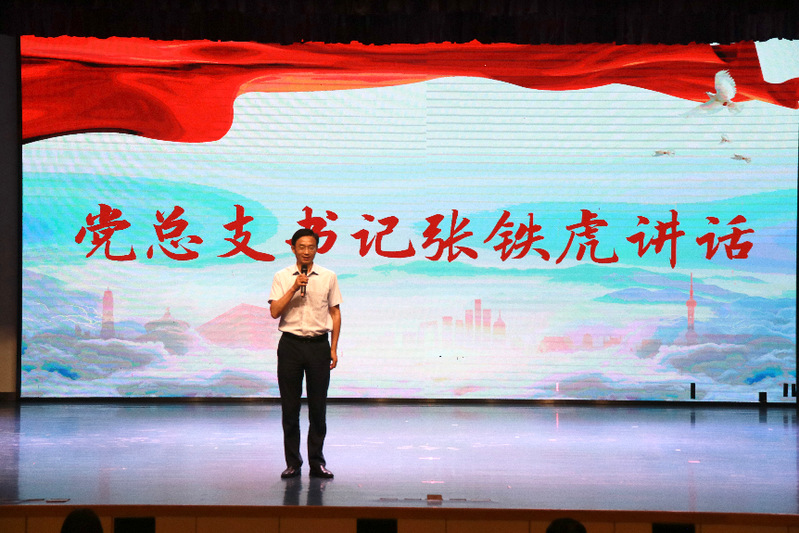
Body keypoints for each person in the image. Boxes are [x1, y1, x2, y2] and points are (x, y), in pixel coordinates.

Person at [269, 228, 342, 479]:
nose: (306, 251)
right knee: (290, 408)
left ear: (317, 248)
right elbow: (274, 312)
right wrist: (293, 287)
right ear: (293, 248)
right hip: (290, 345)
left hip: (318, 345)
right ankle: (293, 462)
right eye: (301, 247)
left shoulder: (328, 276)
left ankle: (317, 463)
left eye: (311, 247)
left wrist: (333, 348)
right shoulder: (282, 276)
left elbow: (335, 313)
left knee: (318, 408)